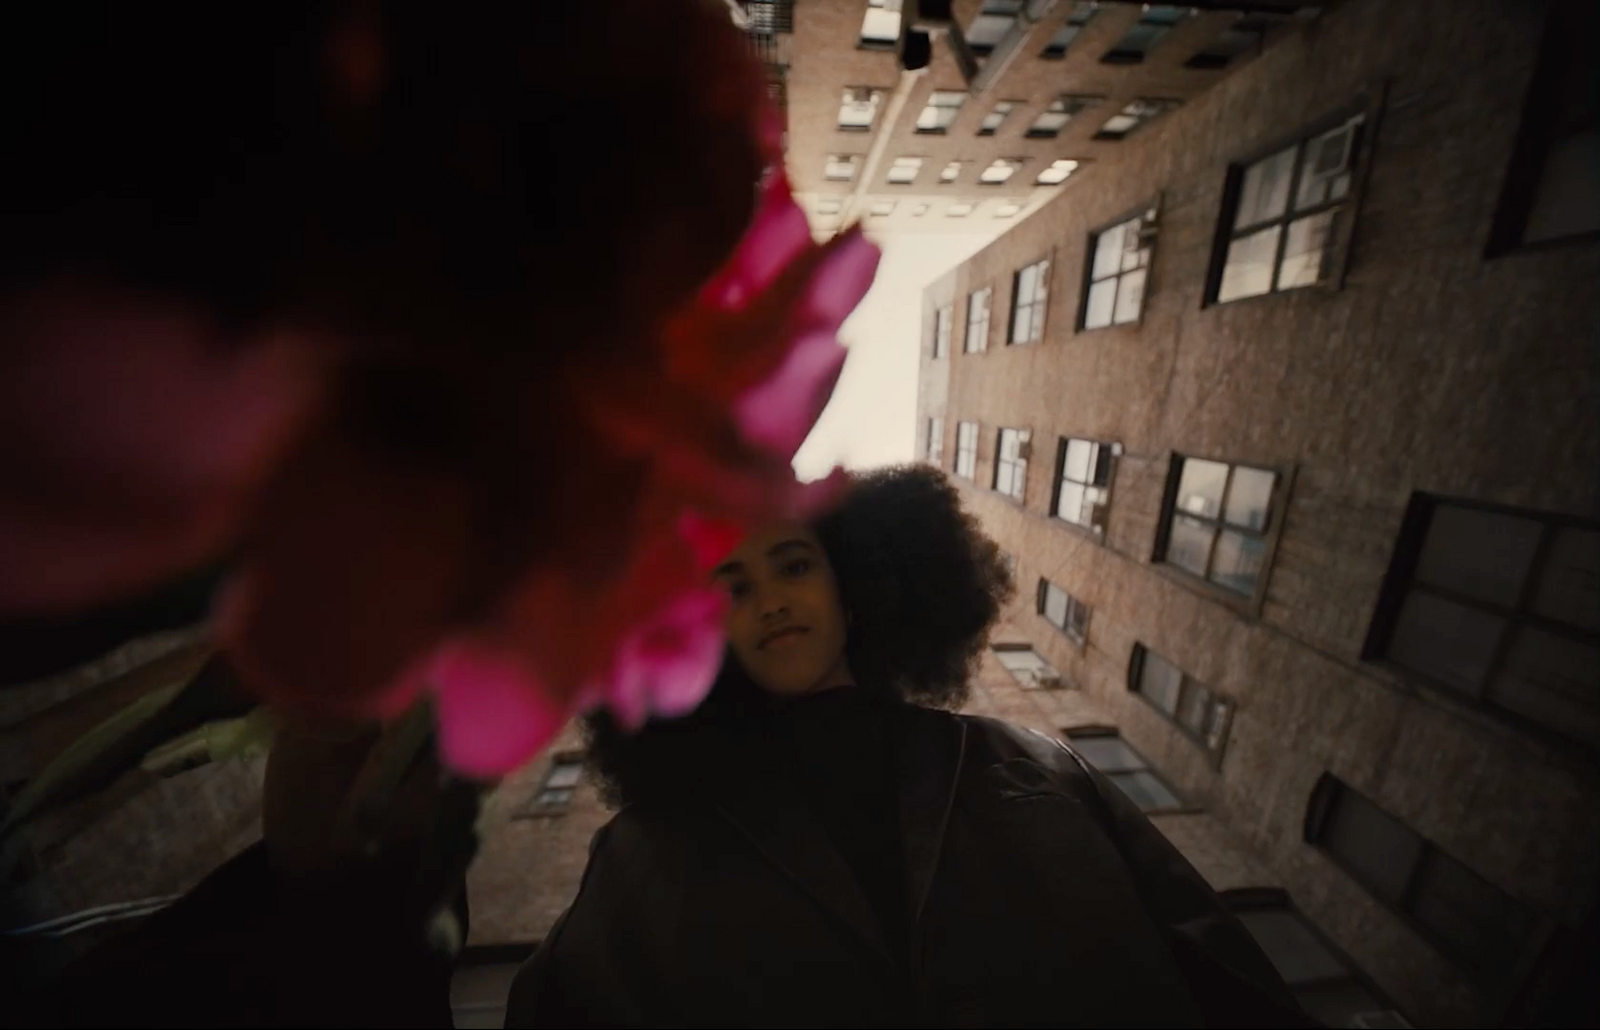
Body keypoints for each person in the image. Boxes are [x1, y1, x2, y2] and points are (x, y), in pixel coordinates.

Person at [508, 465, 1310, 1028]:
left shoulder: (1031, 764)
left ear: (854, 587)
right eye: (735, 587)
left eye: (793, 565)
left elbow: (1228, 977)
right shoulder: (648, 848)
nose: (773, 603)